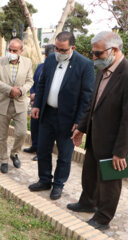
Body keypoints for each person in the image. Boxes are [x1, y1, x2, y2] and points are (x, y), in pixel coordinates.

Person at [67, 31, 128, 230]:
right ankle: (87, 202)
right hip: (95, 135)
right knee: (90, 173)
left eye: (98, 53)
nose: (94, 57)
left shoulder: (126, 74)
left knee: (109, 181)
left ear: (115, 50)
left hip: (114, 142)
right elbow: (92, 104)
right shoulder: (103, 70)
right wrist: (82, 128)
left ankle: (103, 218)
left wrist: (121, 151)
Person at [29, 31, 95, 200]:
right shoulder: (51, 59)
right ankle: (44, 180)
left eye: (63, 50)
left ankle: (58, 184)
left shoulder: (84, 65)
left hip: (68, 119)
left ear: (72, 48)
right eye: (57, 48)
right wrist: (37, 105)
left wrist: (79, 121)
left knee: (64, 155)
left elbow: (87, 96)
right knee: (43, 150)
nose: (59, 52)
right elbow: (42, 83)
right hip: (47, 113)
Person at [0, 38, 34, 173]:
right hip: (3, 103)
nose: (11, 52)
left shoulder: (27, 62)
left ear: (21, 51)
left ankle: (14, 153)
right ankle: (3, 160)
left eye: (14, 50)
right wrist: (10, 90)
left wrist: (21, 90)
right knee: (2, 136)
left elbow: (29, 81)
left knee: (21, 133)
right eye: (9, 49)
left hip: (20, 104)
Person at [24, 44, 55, 161]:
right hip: (35, 103)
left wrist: (38, 97)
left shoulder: (56, 69)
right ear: (45, 55)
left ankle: (42, 152)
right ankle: (35, 146)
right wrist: (32, 94)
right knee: (34, 126)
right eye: (48, 56)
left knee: (44, 131)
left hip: (46, 105)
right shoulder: (40, 67)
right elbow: (34, 82)